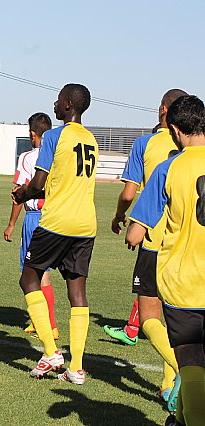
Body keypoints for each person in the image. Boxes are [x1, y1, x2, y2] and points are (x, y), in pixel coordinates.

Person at [104, 89, 187, 404]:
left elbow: (129, 193)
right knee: (177, 319)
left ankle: (182, 369)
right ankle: (169, 388)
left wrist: (120, 217)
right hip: (191, 245)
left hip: (155, 240)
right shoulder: (198, 149)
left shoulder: (147, 143)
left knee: (150, 314)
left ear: (165, 110)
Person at [126, 94, 205, 426]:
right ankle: (181, 419)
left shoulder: (169, 167)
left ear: (174, 130)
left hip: (184, 285)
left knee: (191, 363)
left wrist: (134, 230)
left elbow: (135, 233)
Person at [13, 84, 97, 384]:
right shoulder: (91, 139)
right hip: (86, 224)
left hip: (57, 221)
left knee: (29, 278)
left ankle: (51, 352)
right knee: (77, 292)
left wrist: (22, 194)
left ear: (69, 105)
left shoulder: (53, 136)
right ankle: (76, 367)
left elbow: (38, 183)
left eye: (59, 99)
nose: (55, 102)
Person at [4, 112, 59, 340]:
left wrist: (11, 224)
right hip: (55, 216)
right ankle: (44, 321)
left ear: (32, 133)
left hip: (35, 216)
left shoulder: (28, 157)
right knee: (44, 271)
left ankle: (48, 324)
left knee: (33, 273)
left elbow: (20, 193)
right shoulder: (57, 154)